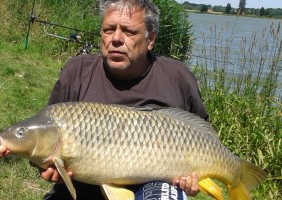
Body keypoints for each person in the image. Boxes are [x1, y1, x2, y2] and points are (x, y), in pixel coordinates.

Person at [38, 0, 209, 199]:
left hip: (153, 187)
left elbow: (202, 134)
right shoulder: (76, 71)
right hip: (83, 189)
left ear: (150, 39)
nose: (116, 38)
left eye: (129, 31)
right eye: (109, 29)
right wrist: (46, 165)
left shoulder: (177, 77)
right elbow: (45, 136)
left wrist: (193, 177)